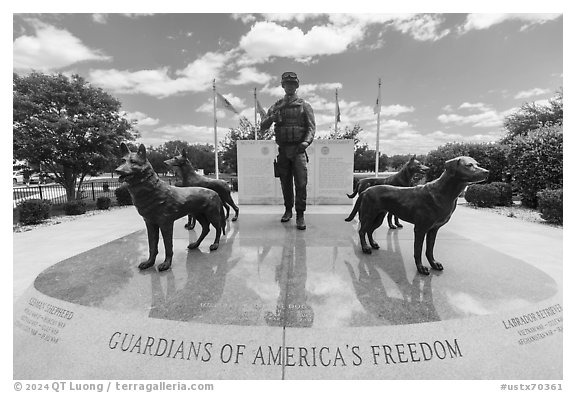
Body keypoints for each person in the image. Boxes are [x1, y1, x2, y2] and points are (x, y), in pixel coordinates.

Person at [261, 72, 316, 230]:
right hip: (283, 150)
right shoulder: (277, 106)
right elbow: (263, 126)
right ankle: (287, 210)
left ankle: (300, 214)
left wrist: (305, 142)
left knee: (301, 183)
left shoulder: (304, 105)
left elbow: (311, 128)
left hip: (299, 150)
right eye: (287, 84)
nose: (290, 86)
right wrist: (272, 118)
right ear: (283, 86)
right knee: (285, 183)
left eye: (293, 84)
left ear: (297, 86)